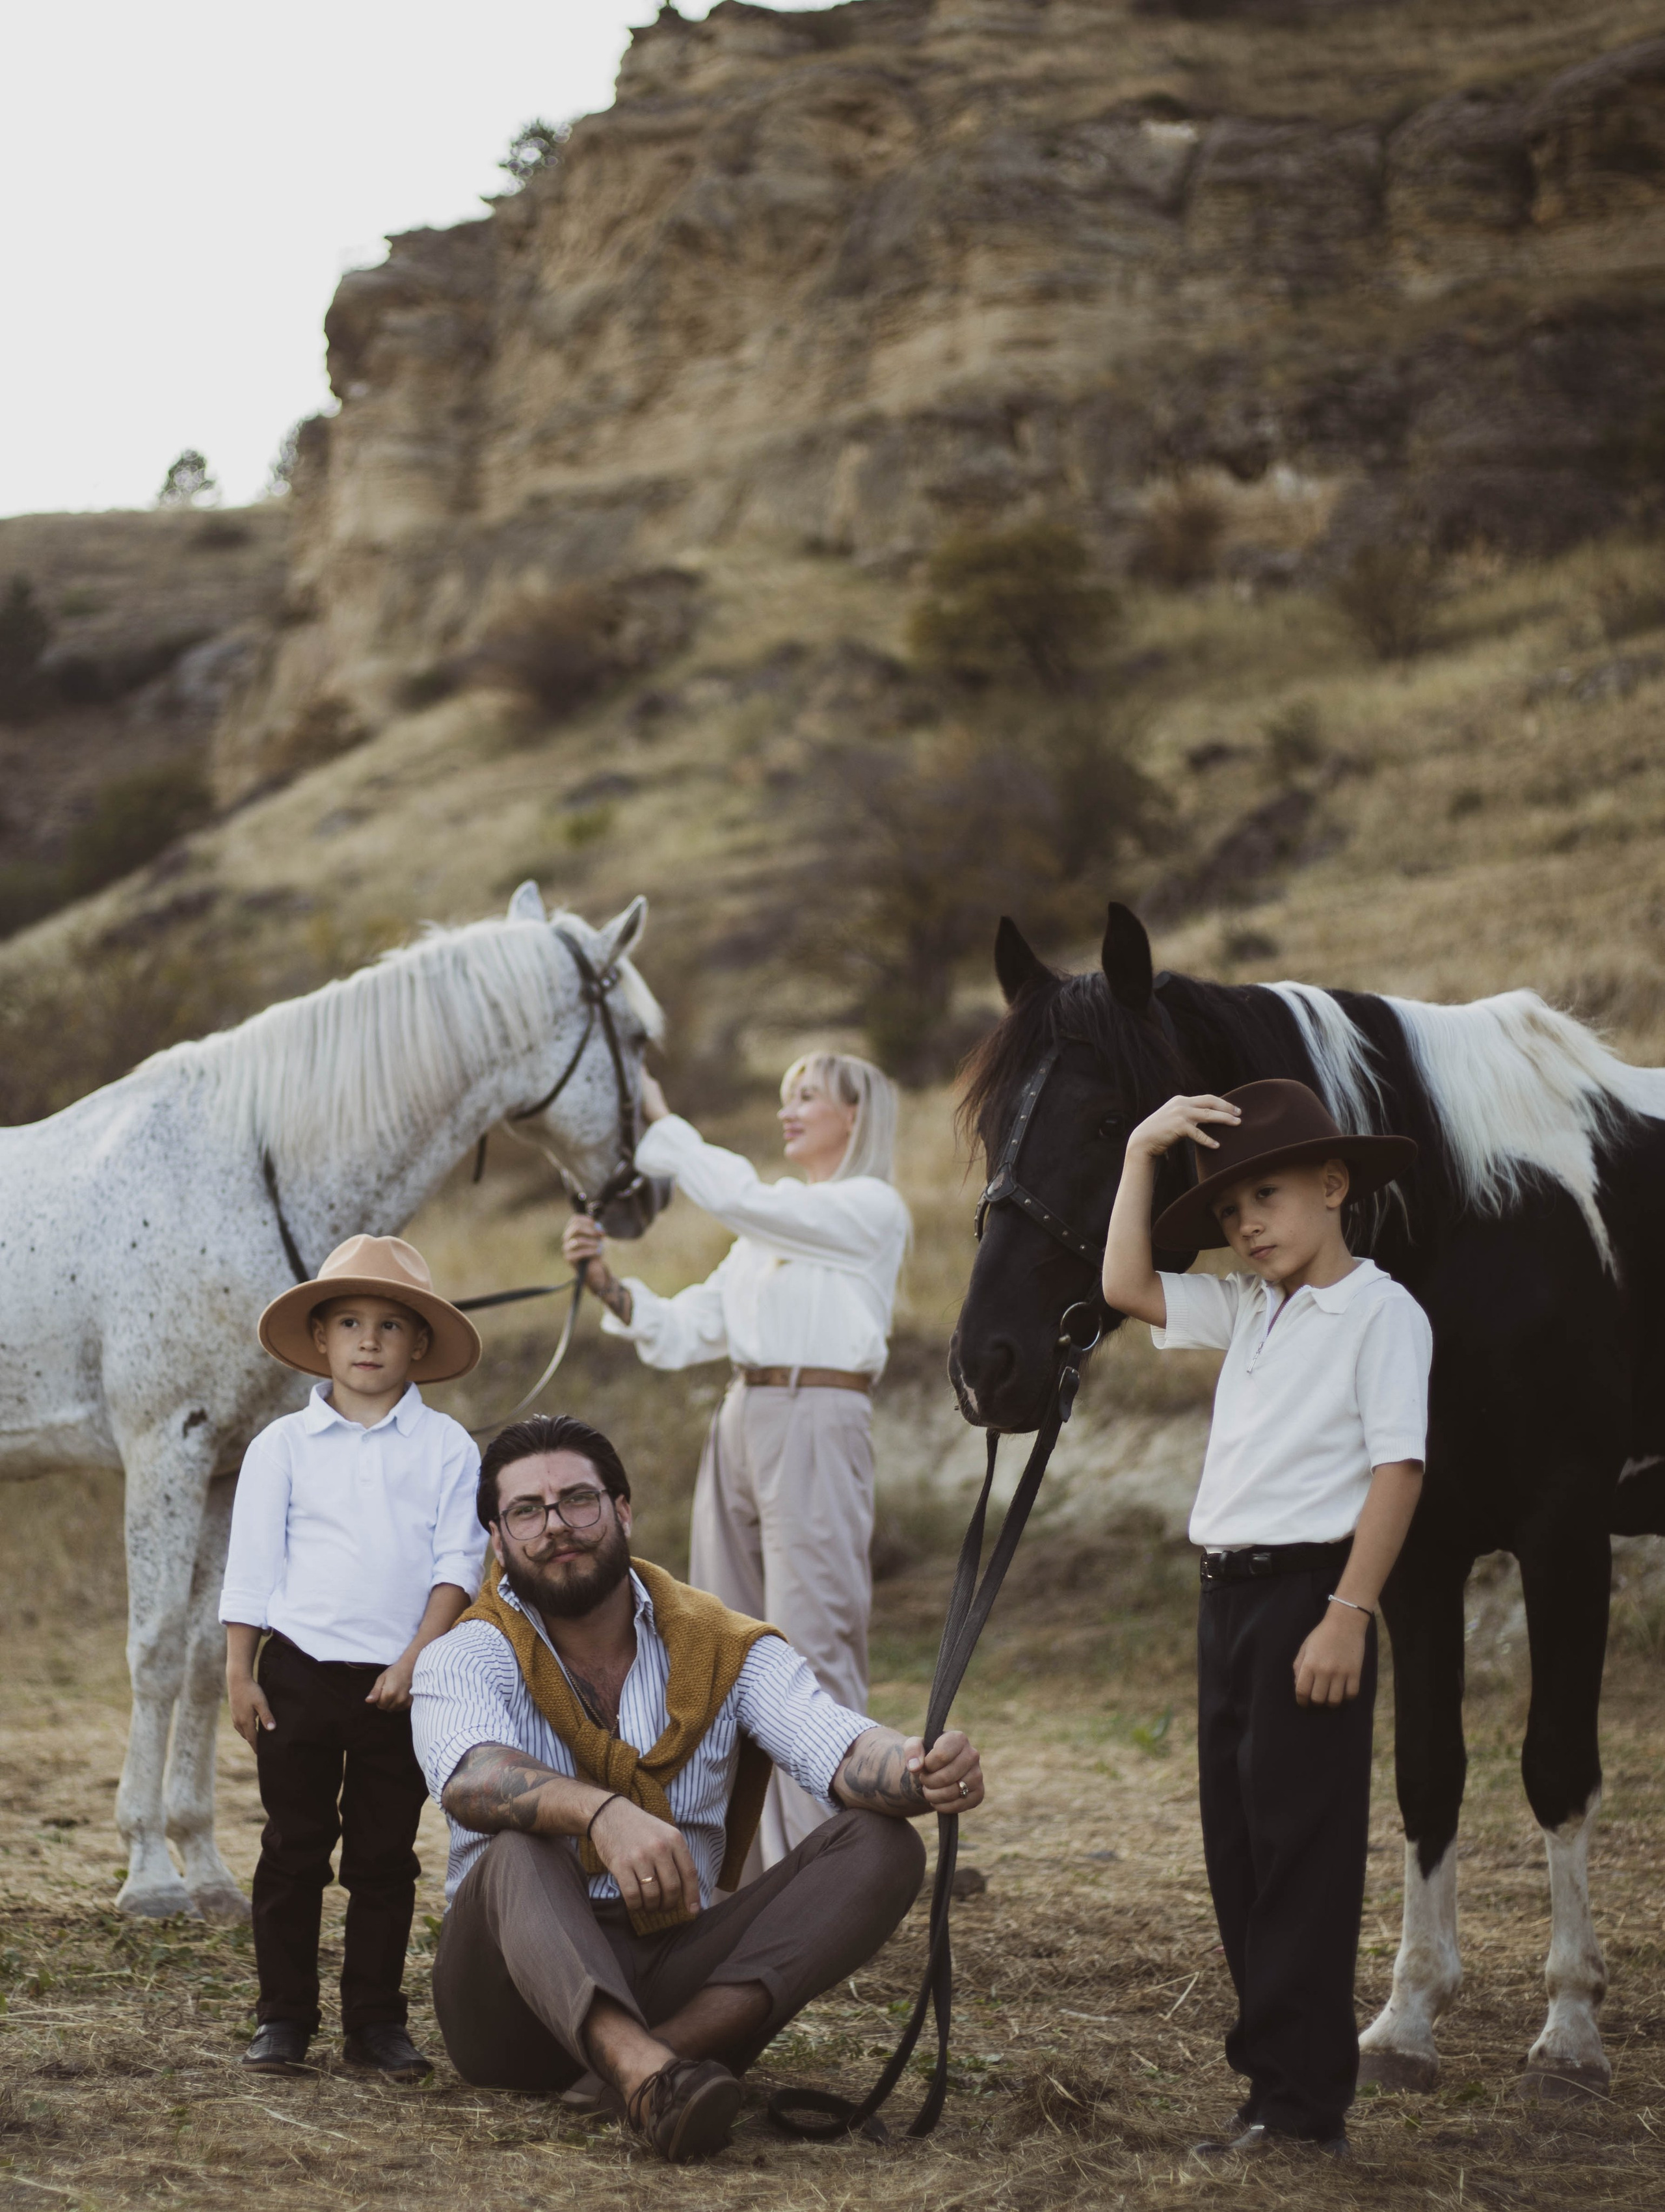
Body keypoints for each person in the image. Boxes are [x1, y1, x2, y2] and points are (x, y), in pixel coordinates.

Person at [410, 1411, 984, 2164]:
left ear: (622, 1508)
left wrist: (915, 1765)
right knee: (516, 1848)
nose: (556, 1526)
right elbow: (471, 1778)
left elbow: (833, 1743)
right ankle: (646, 2073)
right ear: (497, 1537)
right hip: (510, 2003)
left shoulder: (720, 1643)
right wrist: (603, 1813)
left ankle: (655, 2060)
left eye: (578, 1499)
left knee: (882, 1842)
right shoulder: (463, 1654)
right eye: (526, 1510)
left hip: (676, 1968)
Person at [1100, 1078, 1431, 2160]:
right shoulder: (1249, 1305)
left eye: (1269, 1197)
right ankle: (1270, 2093)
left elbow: (1399, 1468)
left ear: (1334, 1187)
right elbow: (1126, 1280)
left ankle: (1304, 2111)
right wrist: (1143, 1150)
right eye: (1231, 1210)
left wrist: (1347, 1614)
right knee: (1238, 1848)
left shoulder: (1381, 1312)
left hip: (1309, 1597)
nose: (1246, 1224)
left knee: (1305, 1853)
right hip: (1225, 1597)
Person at [563, 1053, 910, 1867]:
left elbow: (741, 1198)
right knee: (723, 1642)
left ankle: (829, 1867)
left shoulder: (870, 1208)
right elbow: (688, 1328)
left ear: (855, 1116)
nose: (787, 1110)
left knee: (813, 1641)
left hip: (818, 1417)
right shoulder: (770, 1231)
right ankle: (742, 1868)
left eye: (807, 1097)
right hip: (742, 1414)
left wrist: (663, 1122)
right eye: (784, 1095)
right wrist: (607, 1283)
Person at [220, 1234, 487, 2082]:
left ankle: (375, 2022)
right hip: (298, 1671)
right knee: (294, 1849)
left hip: (398, 1683)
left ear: (417, 1345)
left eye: (388, 1325)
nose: (368, 1340)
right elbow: (253, 1567)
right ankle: (284, 2018)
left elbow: (458, 1564)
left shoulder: (447, 1448)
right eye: (349, 1323)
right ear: (323, 1340)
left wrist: (418, 1657)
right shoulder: (283, 1447)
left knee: (383, 1858)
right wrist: (239, 1670)